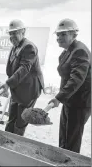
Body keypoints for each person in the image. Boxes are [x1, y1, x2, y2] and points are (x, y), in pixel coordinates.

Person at [48, 19, 91, 153]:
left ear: (74, 34)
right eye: (58, 35)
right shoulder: (66, 52)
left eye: (63, 34)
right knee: (64, 137)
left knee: (72, 140)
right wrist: (62, 98)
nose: (59, 38)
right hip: (69, 100)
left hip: (80, 103)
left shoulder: (80, 51)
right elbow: (66, 78)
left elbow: (76, 79)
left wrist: (58, 98)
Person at [0, 19, 44, 136]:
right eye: (10, 33)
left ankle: (15, 146)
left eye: (15, 33)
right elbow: (12, 68)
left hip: (28, 90)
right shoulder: (15, 46)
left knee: (21, 121)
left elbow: (24, 68)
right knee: (11, 117)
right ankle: (5, 141)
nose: (12, 36)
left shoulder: (29, 47)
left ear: (23, 31)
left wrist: (8, 83)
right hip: (17, 88)